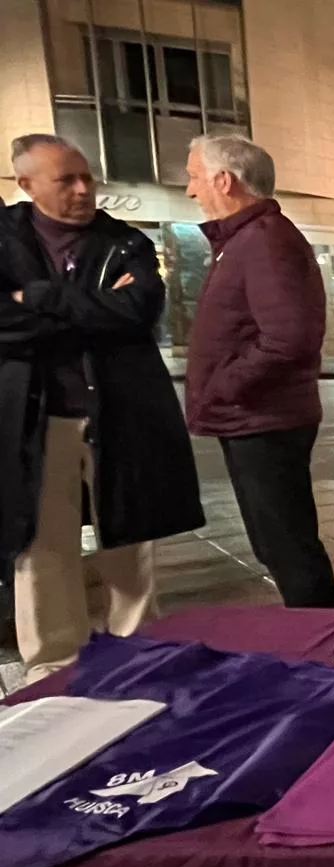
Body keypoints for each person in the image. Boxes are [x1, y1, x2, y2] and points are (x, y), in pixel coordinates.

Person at [1, 134, 203, 683]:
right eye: (65, 179)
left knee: (130, 539)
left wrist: (36, 300)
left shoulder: (124, 241)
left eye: (86, 176)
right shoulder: (5, 239)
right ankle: (52, 665)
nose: (83, 188)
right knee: (42, 544)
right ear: (26, 184)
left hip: (120, 412)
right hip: (35, 419)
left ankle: (138, 651)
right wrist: (92, 308)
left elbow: (136, 310)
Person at [184, 134, 334, 609]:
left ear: (223, 181)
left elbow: (287, 337)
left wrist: (223, 385)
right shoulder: (245, 240)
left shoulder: (264, 240)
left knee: (288, 548)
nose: (190, 190)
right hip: (252, 417)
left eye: (194, 177)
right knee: (278, 545)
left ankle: (323, 642)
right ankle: (315, 636)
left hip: (263, 418)